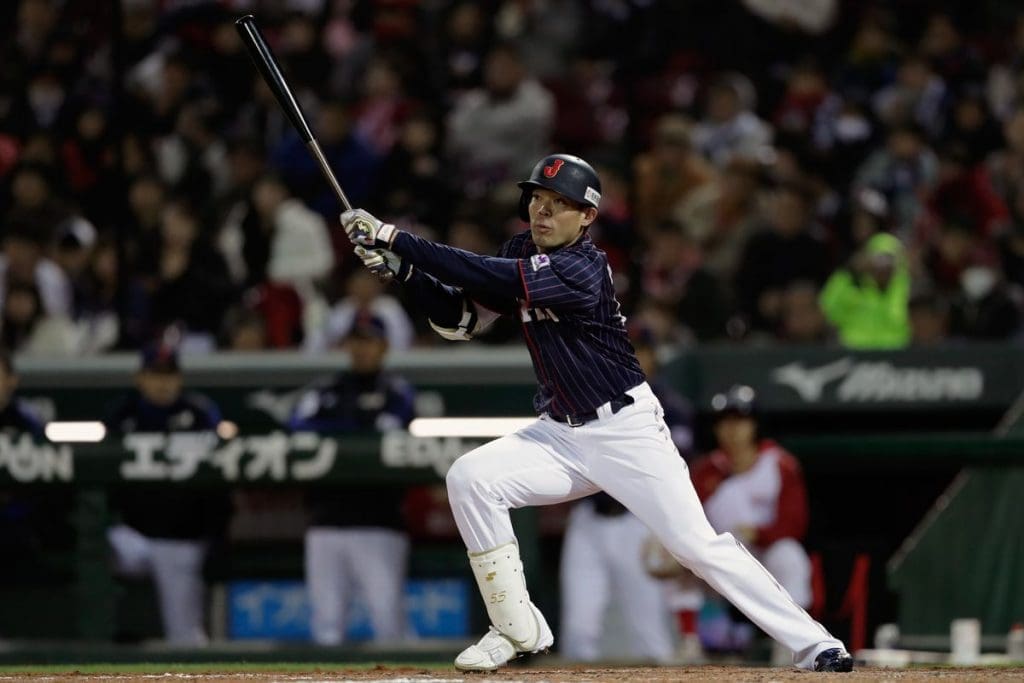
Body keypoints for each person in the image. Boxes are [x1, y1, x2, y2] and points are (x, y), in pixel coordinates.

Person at [337, 153, 853, 672]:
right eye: (538, 199)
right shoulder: (522, 248)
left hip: (625, 430)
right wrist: (407, 274)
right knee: (470, 478)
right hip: (560, 434)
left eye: (560, 204)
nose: (543, 211)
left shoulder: (584, 266)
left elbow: (488, 274)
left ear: (586, 216)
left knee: (696, 547)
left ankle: (816, 644)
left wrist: (395, 239)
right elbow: (461, 321)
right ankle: (514, 625)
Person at [558, 325, 694, 663]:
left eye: (638, 351)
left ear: (652, 357)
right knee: (578, 630)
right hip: (589, 520)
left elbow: (678, 475)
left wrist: (666, 528)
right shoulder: (588, 397)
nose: (629, 358)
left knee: (650, 635)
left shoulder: (671, 408)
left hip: (639, 521)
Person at [290, 312, 416, 645]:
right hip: (325, 522)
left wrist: (336, 432)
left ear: (384, 346)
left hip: (379, 523)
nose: (362, 349)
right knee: (326, 626)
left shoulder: (397, 392)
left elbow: (392, 430)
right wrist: (354, 429)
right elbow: (297, 428)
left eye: (369, 341)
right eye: (356, 341)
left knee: (389, 623)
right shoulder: (325, 390)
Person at [676, 385, 815, 664]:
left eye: (740, 421)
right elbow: (680, 516)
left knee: (790, 555)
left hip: (764, 552)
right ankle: (691, 641)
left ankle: (792, 643)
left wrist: (761, 533)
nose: (732, 430)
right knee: (677, 555)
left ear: (754, 425)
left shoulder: (779, 464)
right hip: (721, 552)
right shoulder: (706, 469)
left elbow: (795, 524)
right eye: (725, 422)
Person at [104, 341, 231, 646]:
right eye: (155, 374)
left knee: (184, 635)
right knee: (100, 546)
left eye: (169, 374)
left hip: (182, 538)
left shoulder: (199, 412)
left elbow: (220, 480)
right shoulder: (122, 414)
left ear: (179, 378)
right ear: (140, 378)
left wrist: (214, 534)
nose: (162, 382)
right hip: (130, 535)